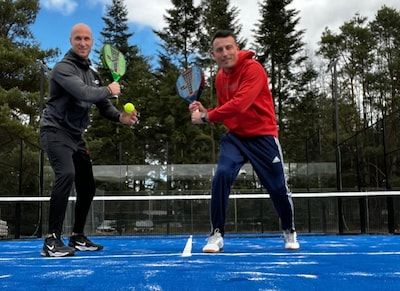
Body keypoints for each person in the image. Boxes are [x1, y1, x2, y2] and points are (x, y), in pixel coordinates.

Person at [189, 30, 299, 253]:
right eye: (219, 50)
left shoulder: (254, 69)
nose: (225, 53)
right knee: (221, 175)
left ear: (237, 48)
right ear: (213, 55)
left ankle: (289, 230)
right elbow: (228, 112)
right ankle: (216, 234)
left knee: (278, 187)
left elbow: (239, 104)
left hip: (263, 136)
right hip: (236, 138)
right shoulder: (220, 78)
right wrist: (205, 111)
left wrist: (206, 116)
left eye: (229, 47)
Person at [39, 23, 138, 257]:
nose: (83, 43)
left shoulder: (92, 73)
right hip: (55, 130)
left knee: (88, 186)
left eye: (86, 39)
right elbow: (83, 93)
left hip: (76, 136)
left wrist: (121, 117)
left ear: (92, 42)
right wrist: (110, 89)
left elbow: (104, 107)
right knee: (66, 174)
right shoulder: (63, 68)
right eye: (78, 39)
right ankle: (52, 240)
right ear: (71, 41)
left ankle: (77, 236)